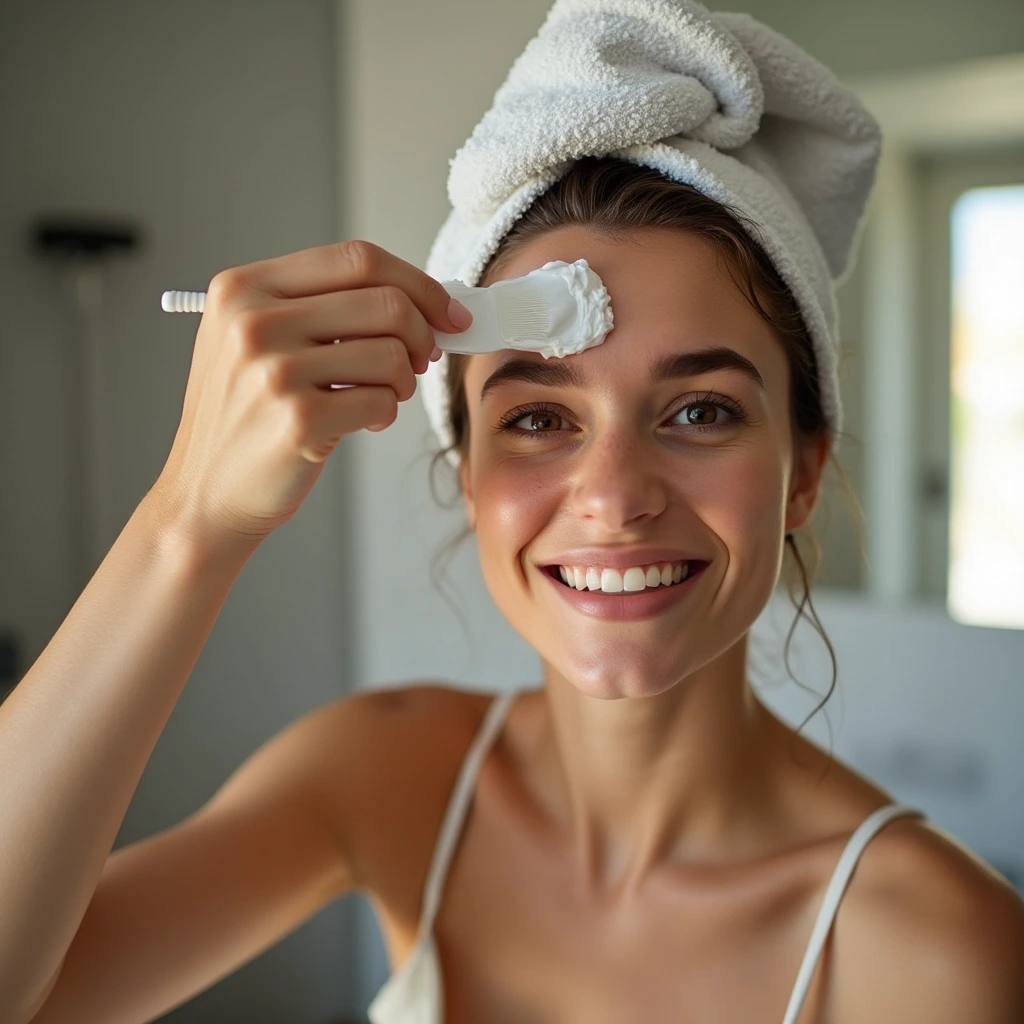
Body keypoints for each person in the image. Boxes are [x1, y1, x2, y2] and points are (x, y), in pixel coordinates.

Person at [3, 4, 1023, 1024]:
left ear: (804, 469)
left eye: (701, 411)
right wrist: (188, 523)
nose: (615, 497)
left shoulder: (934, 950)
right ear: (465, 470)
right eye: (538, 417)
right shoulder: (389, 774)